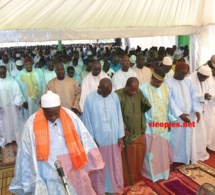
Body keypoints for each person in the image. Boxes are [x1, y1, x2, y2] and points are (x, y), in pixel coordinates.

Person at [9, 90, 104, 195]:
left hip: (72, 167)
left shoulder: (70, 117)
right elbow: (25, 152)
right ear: (42, 109)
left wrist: (92, 154)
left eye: (56, 113)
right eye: (49, 115)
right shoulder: (31, 124)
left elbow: (85, 137)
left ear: (60, 108)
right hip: (47, 170)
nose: (53, 118)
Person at [82, 78, 124, 195]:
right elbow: (87, 121)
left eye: (109, 92)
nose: (107, 95)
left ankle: (113, 187)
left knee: (114, 164)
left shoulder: (114, 97)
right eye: (105, 93)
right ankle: (100, 189)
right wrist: (92, 140)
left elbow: (119, 116)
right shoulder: (90, 99)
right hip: (98, 140)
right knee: (99, 166)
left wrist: (120, 136)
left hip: (113, 138)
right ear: (99, 88)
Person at [140, 68, 176, 182]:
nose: (159, 84)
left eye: (161, 82)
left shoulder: (165, 88)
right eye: (157, 82)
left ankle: (163, 172)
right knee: (151, 151)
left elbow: (167, 106)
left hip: (163, 126)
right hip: (150, 126)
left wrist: (169, 120)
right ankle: (150, 174)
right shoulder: (143, 89)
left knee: (162, 152)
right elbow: (141, 110)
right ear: (152, 78)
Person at [115, 77, 151, 188]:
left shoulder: (138, 93)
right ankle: (126, 181)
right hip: (125, 133)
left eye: (135, 90)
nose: (134, 93)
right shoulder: (117, 95)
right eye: (131, 90)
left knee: (138, 156)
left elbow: (143, 107)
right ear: (126, 86)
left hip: (138, 131)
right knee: (126, 158)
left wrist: (143, 124)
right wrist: (122, 128)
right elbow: (115, 114)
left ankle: (136, 178)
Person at [165, 62, 202, 165]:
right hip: (176, 117)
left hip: (189, 115)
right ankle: (175, 159)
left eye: (185, 73)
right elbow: (170, 101)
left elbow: (193, 96)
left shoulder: (188, 81)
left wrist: (197, 110)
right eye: (181, 73)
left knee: (188, 138)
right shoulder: (168, 82)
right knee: (176, 139)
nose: (183, 76)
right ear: (175, 71)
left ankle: (186, 157)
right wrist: (180, 114)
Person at [189, 65, 215, 157]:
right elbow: (190, 94)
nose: (204, 79)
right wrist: (202, 96)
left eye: (206, 77)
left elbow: (209, 91)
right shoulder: (190, 78)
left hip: (203, 109)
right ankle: (192, 153)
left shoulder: (207, 80)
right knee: (194, 134)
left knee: (201, 134)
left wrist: (208, 96)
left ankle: (199, 152)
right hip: (192, 111)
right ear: (198, 73)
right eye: (202, 77)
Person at [0, 66, 25, 146]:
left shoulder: (12, 80)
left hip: (12, 107)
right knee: (3, 124)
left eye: (3, 72)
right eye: (0, 73)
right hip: (2, 108)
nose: (2, 74)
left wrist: (17, 103)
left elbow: (18, 93)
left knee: (15, 122)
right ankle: (5, 140)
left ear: (6, 71)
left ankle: (16, 137)